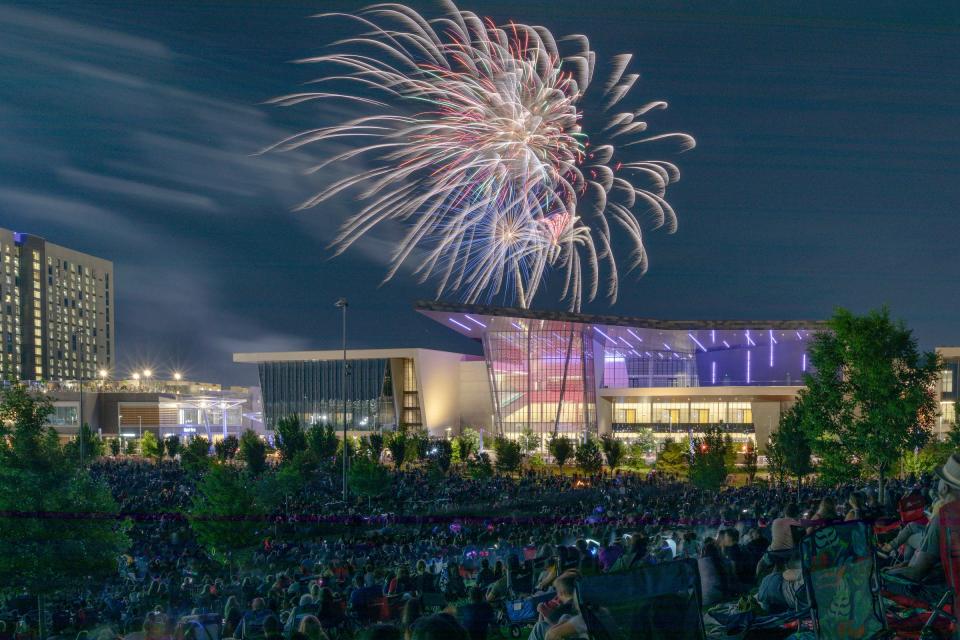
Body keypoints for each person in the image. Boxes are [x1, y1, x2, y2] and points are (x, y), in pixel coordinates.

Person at [886, 455, 960, 583]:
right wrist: (909, 564)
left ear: (944, 488)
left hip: (939, 592)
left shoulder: (943, 519)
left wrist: (886, 572)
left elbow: (917, 574)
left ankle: (889, 551)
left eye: (939, 478)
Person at [527, 573, 586, 640]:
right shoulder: (584, 604)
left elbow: (552, 627)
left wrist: (543, 612)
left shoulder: (566, 607)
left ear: (562, 592)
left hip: (570, 635)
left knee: (539, 627)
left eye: (557, 591)